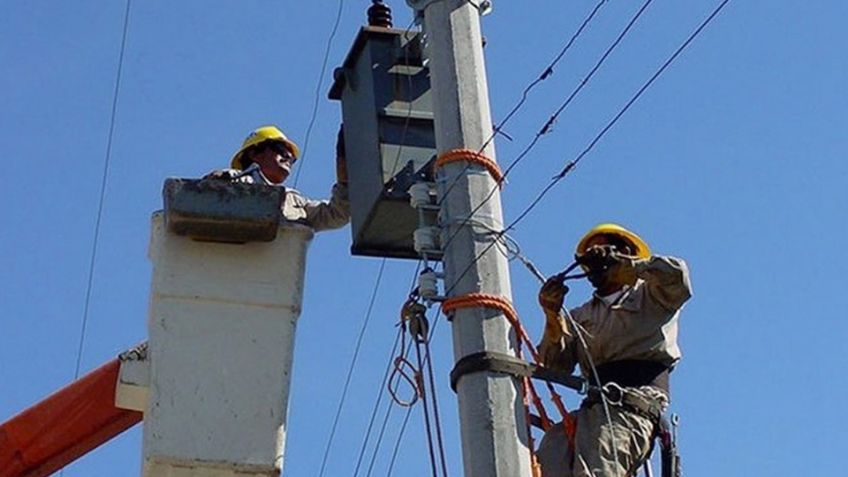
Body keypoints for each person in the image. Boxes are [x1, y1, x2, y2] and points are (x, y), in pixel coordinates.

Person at [535, 223, 692, 477]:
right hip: (593, 410)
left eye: (605, 251)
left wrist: (632, 267)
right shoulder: (580, 316)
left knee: (597, 471)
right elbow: (555, 366)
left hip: (631, 408)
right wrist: (552, 316)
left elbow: (678, 278)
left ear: (627, 252)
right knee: (550, 456)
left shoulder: (652, 295)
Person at [205, 125, 350, 232]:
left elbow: (338, 214)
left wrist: (345, 166)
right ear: (254, 154)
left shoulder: (294, 201)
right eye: (280, 149)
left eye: (292, 158)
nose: (288, 157)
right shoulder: (232, 183)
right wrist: (219, 181)